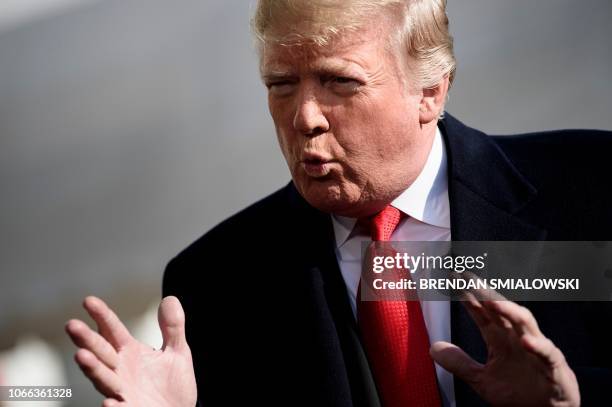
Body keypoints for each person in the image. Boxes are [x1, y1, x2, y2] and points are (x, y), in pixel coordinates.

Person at [65, 0, 612, 406]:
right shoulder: (216, 282)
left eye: (338, 82)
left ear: (430, 91)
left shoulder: (590, 190)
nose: (305, 117)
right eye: (281, 85)